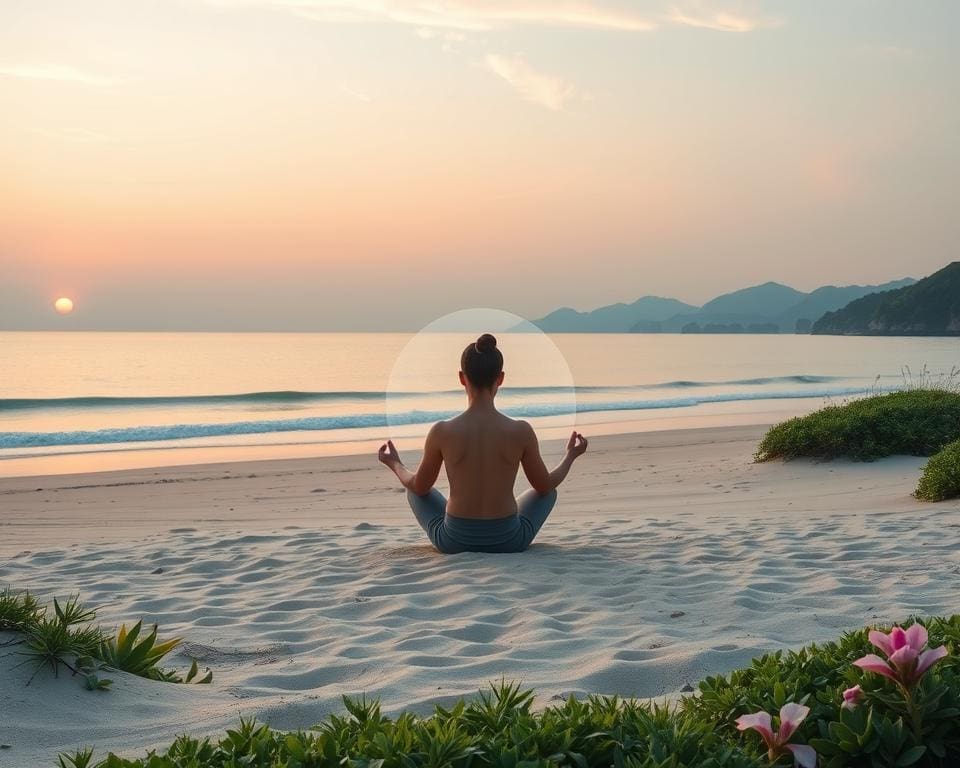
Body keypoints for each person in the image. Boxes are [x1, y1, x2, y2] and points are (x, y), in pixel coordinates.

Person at [378, 333, 588, 554]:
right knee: (549, 492)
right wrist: (570, 456)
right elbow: (544, 486)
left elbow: (420, 486)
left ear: (461, 377)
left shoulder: (442, 431)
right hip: (509, 541)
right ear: (500, 378)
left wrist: (394, 463)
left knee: (414, 491)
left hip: (454, 542)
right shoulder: (520, 430)